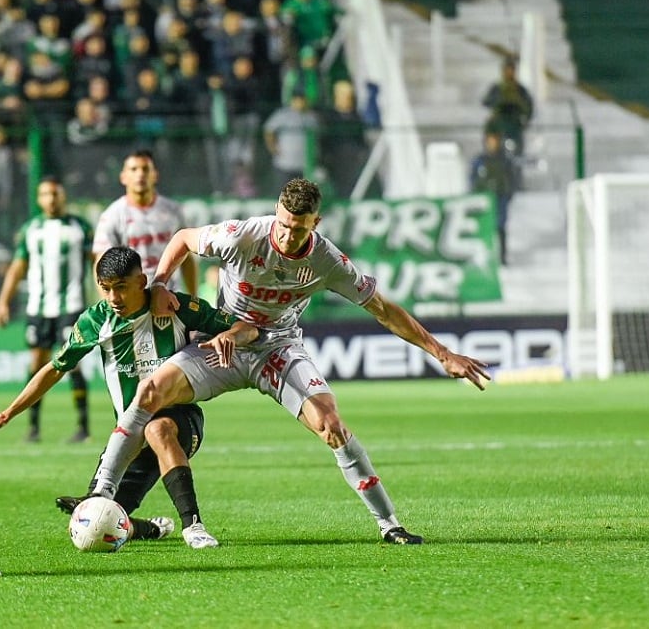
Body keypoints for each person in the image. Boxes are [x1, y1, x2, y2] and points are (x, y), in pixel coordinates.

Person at [85, 179, 492, 546]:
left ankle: (389, 524)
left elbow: (384, 309)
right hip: (221, 343)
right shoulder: (242, 235)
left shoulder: (328, 261)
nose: (287, 233)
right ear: (277, 212)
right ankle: (101, 493)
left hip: (277, 350)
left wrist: (443, 354)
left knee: (331, 426)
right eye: (283, 223)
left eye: (299, 228)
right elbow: (183, 238)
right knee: (150, 391)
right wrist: (159, 284)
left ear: (316, 223)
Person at [0, 246, 259, 548]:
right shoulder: (95, 321)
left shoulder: (174, 306)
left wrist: (231, 336)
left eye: (121, 288)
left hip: (180, 420)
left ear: (142, 281)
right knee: (94, 523)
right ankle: (148, 528)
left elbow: (248, 329)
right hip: (129, 434)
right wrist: (7, 413)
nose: (114, 298)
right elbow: (54, 369)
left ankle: (193, 526)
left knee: (159, 428)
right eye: (105, 289)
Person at [0, 177, 94, 444]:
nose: (51, 199)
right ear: (39, 199)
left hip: (71, 307)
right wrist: (3, 302)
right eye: (46, 194)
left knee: (72, 364)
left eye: (56, 193)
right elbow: (17, 267)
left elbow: (95, 263)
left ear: (64, 196)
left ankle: (83, 427)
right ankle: (33, 427)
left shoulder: (79, 227)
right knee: (37, 364)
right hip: (38, 308)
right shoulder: (31, 229)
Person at [93, 149, 198, 294]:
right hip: (134, 300)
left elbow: (186, 258)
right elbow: (101, 264)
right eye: (133, 169)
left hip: (171, 296)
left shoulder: (174, 211)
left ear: (155, 175)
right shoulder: (111, 216)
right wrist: (110, 306)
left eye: (146, 169)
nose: (140, 174)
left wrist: (194, 296)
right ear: (123, 177)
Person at [470, 130, 517, 266]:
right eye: (490, 141)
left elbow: (511, 179)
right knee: (485, 228)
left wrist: (508, 195)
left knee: (500, 227)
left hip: (500, 197)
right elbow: (473, 179)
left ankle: (502, 257)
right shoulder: (480, 160)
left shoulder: (504, 160)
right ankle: (485, 257)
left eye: (495, 141)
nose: (493, 144)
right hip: (484, 199)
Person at [482, 56, 533, 156]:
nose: (509, 72)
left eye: (511, 69)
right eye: (507, 69)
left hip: (513, 124)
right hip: (499, 124)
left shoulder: (520, 90)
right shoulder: (497, 88)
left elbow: (529, 107)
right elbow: (486, 101)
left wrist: (525, 120)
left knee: (516, 152)